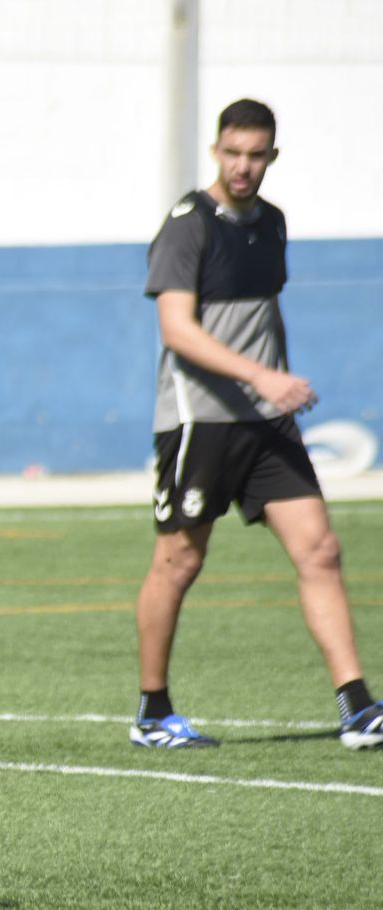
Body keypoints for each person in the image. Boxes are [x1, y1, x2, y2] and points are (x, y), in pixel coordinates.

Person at [133, 98, 382, 751]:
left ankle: (357, 705)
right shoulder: (189, 225)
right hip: (200, 419)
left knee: (320, 550)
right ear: (216, 151)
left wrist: (276, 382)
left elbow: (262, 315)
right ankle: (153, 713)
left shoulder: (271, 223)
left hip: (266, 422)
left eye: (256, 155)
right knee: (180, 560)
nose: (243, 167)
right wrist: (262, 376)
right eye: (233, 153)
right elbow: (177, 330)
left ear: (272, 156)